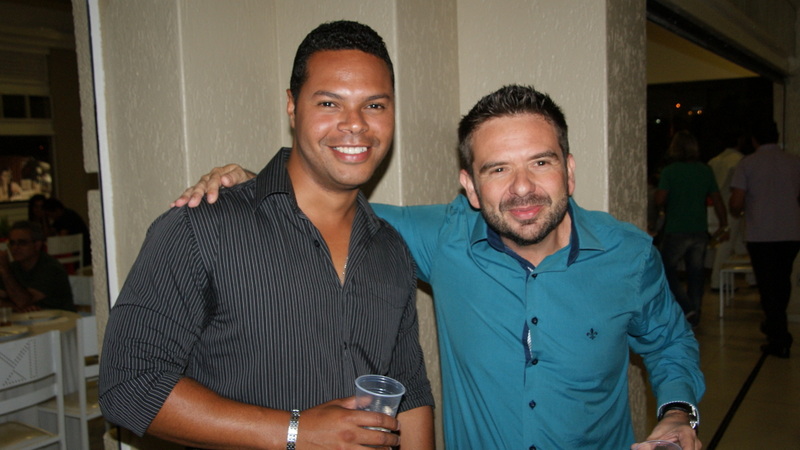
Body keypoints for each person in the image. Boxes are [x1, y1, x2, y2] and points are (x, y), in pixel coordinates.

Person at [176, 85, 705, 449]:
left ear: (568, 170)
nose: (522, 188)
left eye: (540, 162)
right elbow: (332, 209)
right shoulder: (444, 238)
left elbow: (669, 343)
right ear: (470, 186)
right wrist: (258, 184)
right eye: (498, 169)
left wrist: (678, 413)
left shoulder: (629, 255)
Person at [99, 20, 434, 449]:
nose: (355, 124)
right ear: (292, 106)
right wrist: (295, 432)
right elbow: (127, 385)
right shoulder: (202, 226)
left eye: (374, 105)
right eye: (329, 103)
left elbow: (409, 390)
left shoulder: (391, 249)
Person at [729, 119, 800, 358]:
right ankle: (775, 326)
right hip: (791, 232)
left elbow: (736, 203)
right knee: (782, 281)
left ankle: (778, 336)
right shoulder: (795, 162)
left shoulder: (747, 164)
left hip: (762, 234)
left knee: (768, 285)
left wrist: (738, 209)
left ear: (754, 140)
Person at [655, 130, 727, 326]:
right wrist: (724, 223)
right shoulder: (705, 170)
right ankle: (695, 313)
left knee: (665, 269)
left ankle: (687, 308)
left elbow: (660, 199)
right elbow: (718, 199)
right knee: (696, 274)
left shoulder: (670, 171)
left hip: (676, 228)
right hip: (699, 229)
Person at [0, 221, 75, 312]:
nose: (15, 248)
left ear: (37, 245)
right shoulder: (14, 266)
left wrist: (5, 270)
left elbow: (23, 301)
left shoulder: (51, 268)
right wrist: (14, 306)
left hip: (60, 318)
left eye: (22, 243)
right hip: (31, 318)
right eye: (12, 243)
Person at [706, 133, 747, 290]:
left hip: (715, 208)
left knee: (737, 243)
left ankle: (752, 278)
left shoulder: (714, 161)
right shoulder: (739, 160)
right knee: (726, 245)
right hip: (732, 208)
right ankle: (718, 282)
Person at [41, 198, 91, 266]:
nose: (50, 217)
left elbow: (62, 239)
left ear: (57, 210)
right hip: (78, 253)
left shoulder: (67, 217)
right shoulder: (63, 217)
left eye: (50, 215)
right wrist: (44, 220)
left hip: (79, 254)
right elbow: (48, 234)